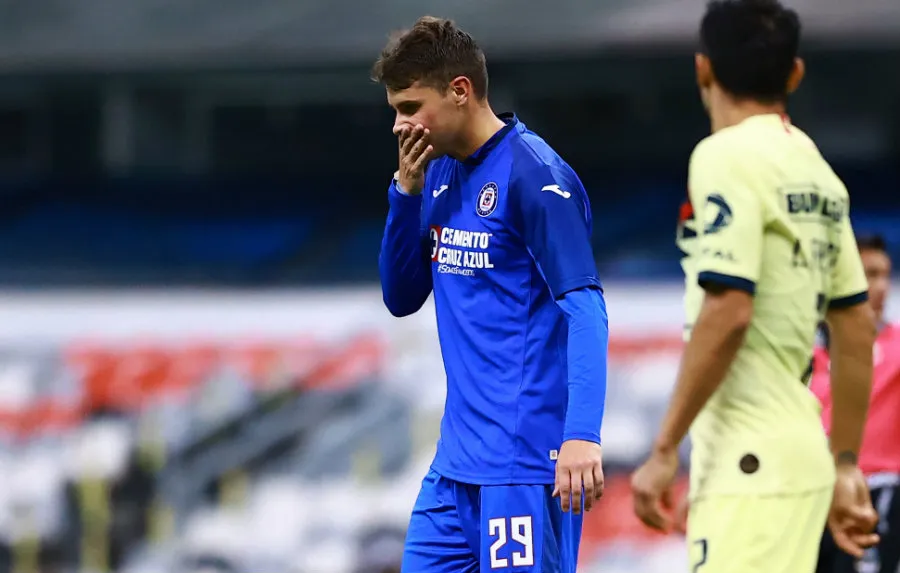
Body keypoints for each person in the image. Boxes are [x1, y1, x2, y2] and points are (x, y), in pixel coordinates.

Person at [629, 1, 880, 571]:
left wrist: (665, 448)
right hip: (801, 456)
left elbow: (729, 310)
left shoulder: (724, 156)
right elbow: (855, 328)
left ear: (702, 69)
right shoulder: (818, 172)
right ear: (794, 74)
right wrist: (843, 463)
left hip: (751, 465)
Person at [372, 16, 609, 573]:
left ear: (460, 91)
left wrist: (582, 436)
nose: (399, 125)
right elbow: (401, 297)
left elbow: (587, 311)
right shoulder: (434, 171)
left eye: (410, 107)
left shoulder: (536, 176)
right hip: (454, 467)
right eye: (395, 112)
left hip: (523, 464)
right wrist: (405, 194)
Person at [813, 235, 900, 573]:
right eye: (868, 274)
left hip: (874, 499)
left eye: (884, 275)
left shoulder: (896, 348)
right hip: (809, 501)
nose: (879, 287)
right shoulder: (802, 353)